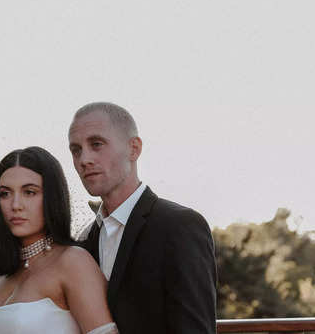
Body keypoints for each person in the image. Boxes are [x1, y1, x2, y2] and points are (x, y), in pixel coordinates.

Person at [68, 102, 217, 334]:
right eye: (76, 150)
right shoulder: (82, 242)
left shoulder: (180, 227)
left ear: (133, 148)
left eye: (96, 144)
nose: (84, 159)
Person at [0, 146, 118, 334]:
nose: (15, 205)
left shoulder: (73, 262)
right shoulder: (1, 273)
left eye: (29, 192)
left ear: (52, 198)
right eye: (5, 193)